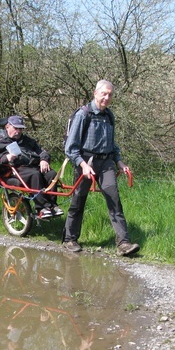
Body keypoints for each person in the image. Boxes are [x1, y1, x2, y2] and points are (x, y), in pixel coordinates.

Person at [62, 80, 140, 256]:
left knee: (114, 200)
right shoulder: (83, 115)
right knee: (78, 201)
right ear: (95, 93)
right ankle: (70, 239)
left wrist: (120, 162)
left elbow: (112, 145)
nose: (107, 97)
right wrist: (82, 165)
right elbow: (70, 148)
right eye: (104, 93)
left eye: (110, 94)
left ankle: (123, 243)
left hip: (106, 164)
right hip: (85, 162)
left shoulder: (109, 116)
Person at [0, 115, 63, 219]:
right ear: (7, 127)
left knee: (51, 174)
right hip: (12, 170)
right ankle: (42, 208)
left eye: (21, 129)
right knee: (35, 175)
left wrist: (44, 159)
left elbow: (42, 152)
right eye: (16, 128)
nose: (18, 131)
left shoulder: (27, 140)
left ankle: (52, 206)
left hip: (32, 166)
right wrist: (6, 158)